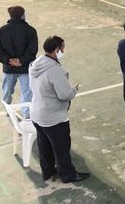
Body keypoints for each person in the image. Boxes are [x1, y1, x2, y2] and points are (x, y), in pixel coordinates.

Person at [29, 36, 90, 183]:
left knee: (44, 146)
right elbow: (64, 95)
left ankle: (48, 172)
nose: (64, 50)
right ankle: (68, 174)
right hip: (53, 118)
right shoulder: (54, 70)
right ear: (56, 50)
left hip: (37, 113)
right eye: (62, 48)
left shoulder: (35, 64)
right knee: (61, 148)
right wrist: (75, 89)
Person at [0, 6, 38, 117]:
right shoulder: (30, 30)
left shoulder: (0, 31)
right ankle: (27, 116)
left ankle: (7, 111)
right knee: (27, 93)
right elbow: (32, 49)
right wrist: (21, 61)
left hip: (8, 69)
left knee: (6, 92)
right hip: (25, 68)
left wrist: (8, 60)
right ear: (23, 15)